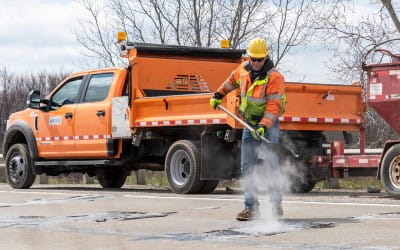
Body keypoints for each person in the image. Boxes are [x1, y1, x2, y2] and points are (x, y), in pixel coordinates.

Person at [210, 37, 286, 221]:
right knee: (247, 166)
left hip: (268, 124)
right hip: (249, 123)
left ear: (265, 58)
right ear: (249, 57)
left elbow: (274, 107)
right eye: (253, 59)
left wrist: (263, 126)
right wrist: (218, 94)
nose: (256, 63)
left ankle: (276, 205)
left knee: (270, 164)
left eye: (260, 59)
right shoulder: (243, 70)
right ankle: (251, 208)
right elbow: (230, 81)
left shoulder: (274, 77)